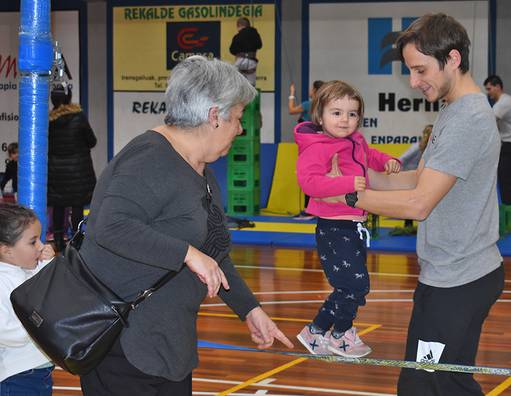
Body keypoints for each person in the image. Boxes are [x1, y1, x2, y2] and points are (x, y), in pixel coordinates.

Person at [77, 56, 293, 395]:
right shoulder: (149, 159)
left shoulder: (198, 168)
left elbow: (213, 252)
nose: (240, 129)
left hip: (168, 344)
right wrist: (187, 253)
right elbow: (109, 226)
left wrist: (249, 308)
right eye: (237, 118)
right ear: (213, 116)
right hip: (126, 348)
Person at [321, 14, 504, 395]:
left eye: (420, 70)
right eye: (410, 70)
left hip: (459, 282)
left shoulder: (469, 117)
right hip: (446, 277)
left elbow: (420, 203)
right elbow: (417, 179)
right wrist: (355, 179)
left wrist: (354, 198)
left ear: (452, 59)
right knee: (442, 381)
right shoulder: (451, 109)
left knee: (425, 382)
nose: (414, 81)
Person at [294, 80, 401, 358]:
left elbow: (369, 156)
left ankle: (316, 331)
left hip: (353, 224)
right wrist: (345, 183)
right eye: (337, 112)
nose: (345, 120)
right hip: (333, 226)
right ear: (320, 116)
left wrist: (386, 160)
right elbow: (309, 183)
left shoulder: (356, 140)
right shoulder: (317, 146)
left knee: (352, 285)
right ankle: (340, 334)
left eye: (352, 114)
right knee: (355, 285)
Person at [0, 203, 56, 395]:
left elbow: (47, 287)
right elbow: (5, 333)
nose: (41, 246)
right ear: (6, 250)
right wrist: (40, 321)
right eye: (33, 242)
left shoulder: (23, 271)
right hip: (17, 377)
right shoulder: (2, 281)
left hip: (38, 372)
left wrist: (47, 263)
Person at [48, 85, 97, 252]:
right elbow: (92, 141)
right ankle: (76, 242)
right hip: (79, 172)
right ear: (68, 98)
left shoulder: (49, 120)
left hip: (56, 172)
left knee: (58, 206)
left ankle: (59, 242)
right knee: (77, 205)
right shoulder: (79, 117)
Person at [484, 75, 511, 205]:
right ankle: (510, 208)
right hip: (507, 144)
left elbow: (488, 121)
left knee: (506, 178)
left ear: (498, 87)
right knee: (504, 178)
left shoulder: (505, 102)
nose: (488, 93)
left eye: (489, 89)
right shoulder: (501, 102)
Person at [289, 80, 325, 220]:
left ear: (315, 90)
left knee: (308, 176)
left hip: (308, 145)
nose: (310, 91)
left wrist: (291, 94)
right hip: (320, 145)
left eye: (312, 88)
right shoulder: (324, 105)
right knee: (318, 175)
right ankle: (315, 208)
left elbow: (291, 110)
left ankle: (309, 210)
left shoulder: (309, 103)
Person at [391, 125, 432, 236]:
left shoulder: (431, 148)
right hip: (408, 177)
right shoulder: (417, 147)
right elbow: (402, 158)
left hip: (419, 178)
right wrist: (397, 172)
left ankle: (415, 228)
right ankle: (407, 227)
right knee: (409, 202)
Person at [229, 17, 262, 87]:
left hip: (240, 60)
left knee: (237, 84)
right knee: (251, 86)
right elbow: (259, 45)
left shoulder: (237, 36)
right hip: (251, 61)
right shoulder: (255, 34)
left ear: (239, 26)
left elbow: (232, 50)